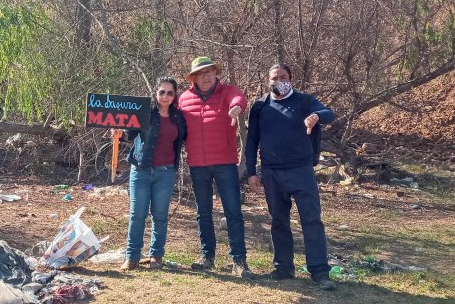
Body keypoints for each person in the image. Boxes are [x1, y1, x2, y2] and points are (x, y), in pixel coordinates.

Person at [244, 64, 337, 290]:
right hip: (272, 172)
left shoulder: (305, 101)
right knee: (279, 221)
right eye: (275, 78)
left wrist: (315, 116)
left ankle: (320, 272)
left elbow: (329, 114)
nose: (279, 81)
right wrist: (251, 172)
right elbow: (252, 141)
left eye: (283, 77)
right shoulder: (260, 106)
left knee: (312, 220)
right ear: (269, 81)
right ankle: (283, 268)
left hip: (301, 170)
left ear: (291, 79)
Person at [177, 56, 254, 279]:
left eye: (210, 71)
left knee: (233, 212)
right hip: (197, 165)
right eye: (201, 73)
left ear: (215, 73)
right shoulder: (183, 99)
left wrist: (236, 108)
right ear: (193, 78)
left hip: (225, 163)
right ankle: (206, 257)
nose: (206, 76)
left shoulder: (227, 91)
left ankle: (239, 261)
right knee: (203, 212)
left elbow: (239, 98)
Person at [118, 77, 187, 270]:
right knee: (137, 214)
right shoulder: (144, 112)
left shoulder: (179, 117)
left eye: (170, 93)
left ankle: (156, 256)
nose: (165, 96)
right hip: (140, 170)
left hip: (165, 173)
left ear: (175, 96)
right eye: (162, 92)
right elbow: (128, 134)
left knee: (160, 215)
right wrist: (119, 133)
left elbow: (189, 138)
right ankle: (131, 257)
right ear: (156, 93)